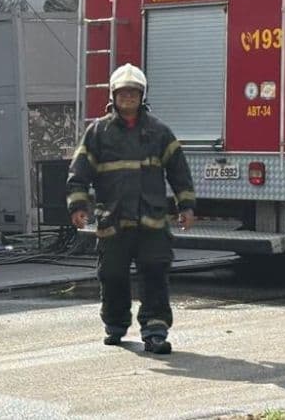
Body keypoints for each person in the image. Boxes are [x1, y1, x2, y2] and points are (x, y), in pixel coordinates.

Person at [66, 63, 196, 354]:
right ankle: (115, 325)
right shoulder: (98, 132)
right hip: (113, 220)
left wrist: (185, 205)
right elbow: (79, 173)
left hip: (152, 222)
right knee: (112, 275)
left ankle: (155, 331)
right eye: (122, 93)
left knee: (155, 272)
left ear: (142, 95)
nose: (128, 97)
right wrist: (77, 206)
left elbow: (179, 171)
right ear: (113, 96)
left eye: (133, 93)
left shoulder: (160, 132)